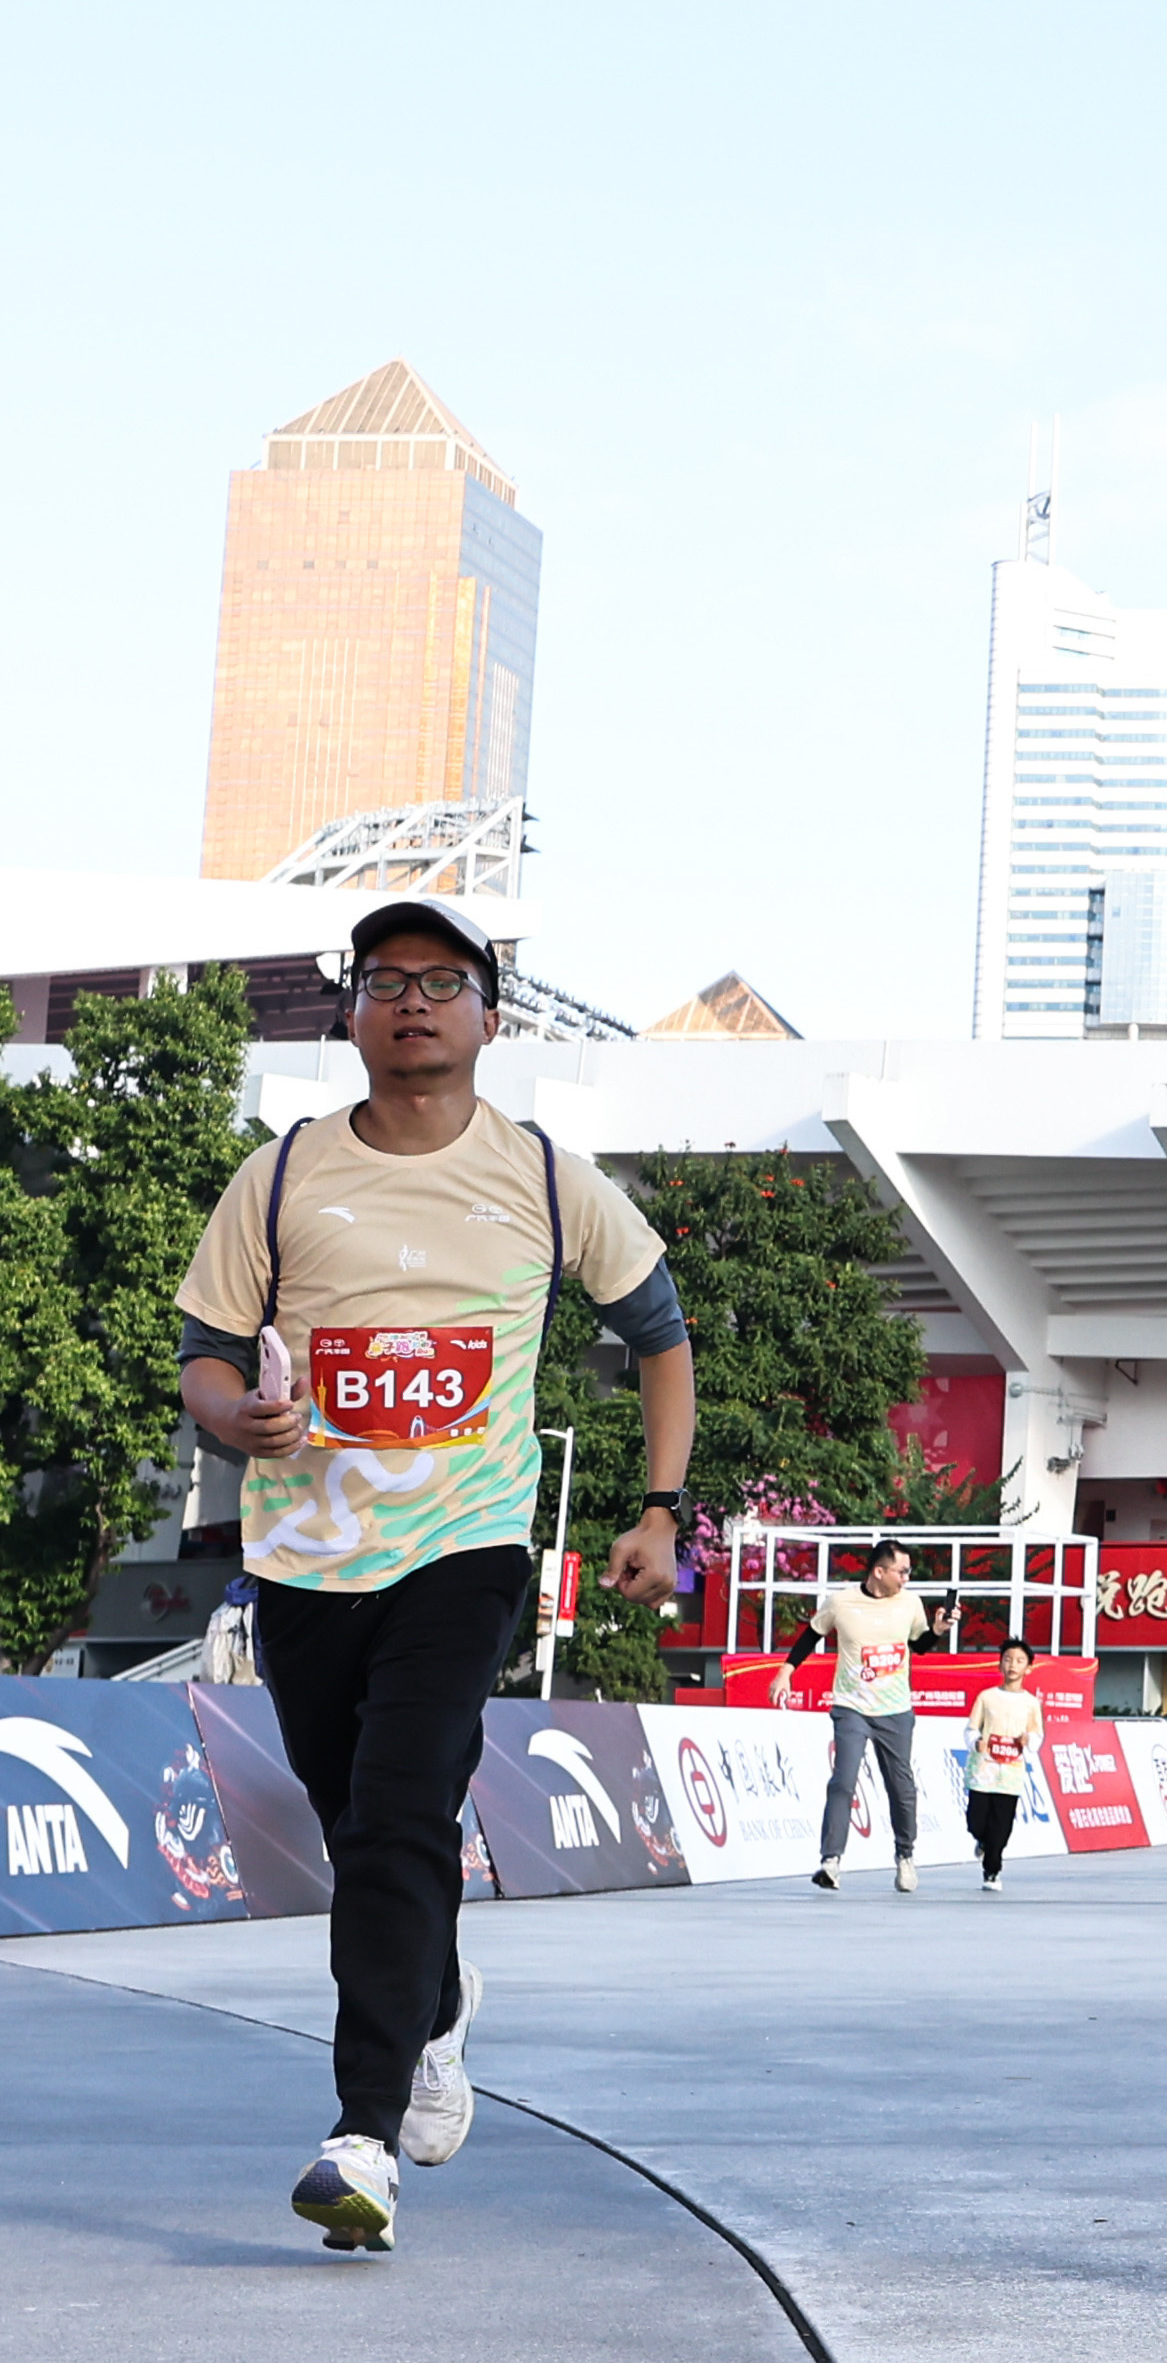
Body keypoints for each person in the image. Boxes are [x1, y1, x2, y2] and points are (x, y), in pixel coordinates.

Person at [175, 896, 692, 2254]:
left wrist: (659, 1507)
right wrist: (240, 1418)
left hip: (466, 1547)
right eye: (387, 977)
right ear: (350, 1011)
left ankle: (360, 2133)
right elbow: (204, 1358)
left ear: (490, 1017)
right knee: (362, 1827)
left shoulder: (544, 1176)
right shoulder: (279, 1175)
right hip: (305, 1556)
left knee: (403, 1808)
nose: (414, 998)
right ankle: (439, 2001)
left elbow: (660, 1330)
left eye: (444, 979)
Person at [790, 1540, 931, 1894]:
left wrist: (940, 1630)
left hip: (895, 1710)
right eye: (902, 1571)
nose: (906, 1578)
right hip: (852, 1707)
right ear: (879, 1571)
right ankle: (830, 1861)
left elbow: (920, 1645)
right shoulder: (841, 1602)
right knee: (843, 1781)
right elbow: (812, 1635)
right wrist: (785, 1670)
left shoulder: (910, 1603)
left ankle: (905, 1856)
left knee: (901, 1787)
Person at [962, 1637, 1043, 1893]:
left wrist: (1028, 1740)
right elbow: (971, 1729)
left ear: (1028, 1668)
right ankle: (982, 1841)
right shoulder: (987, 1697)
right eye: (1007, 1659)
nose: (1012, 1665)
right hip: (983, 1770)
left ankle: (992, 1871)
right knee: (976, 1821)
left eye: (1019, 1661)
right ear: (1000, 1665)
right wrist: (976, 1742)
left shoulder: (1031, 1703)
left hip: (1010, 1773)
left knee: (1001, 1826)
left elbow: (1037, 1736)